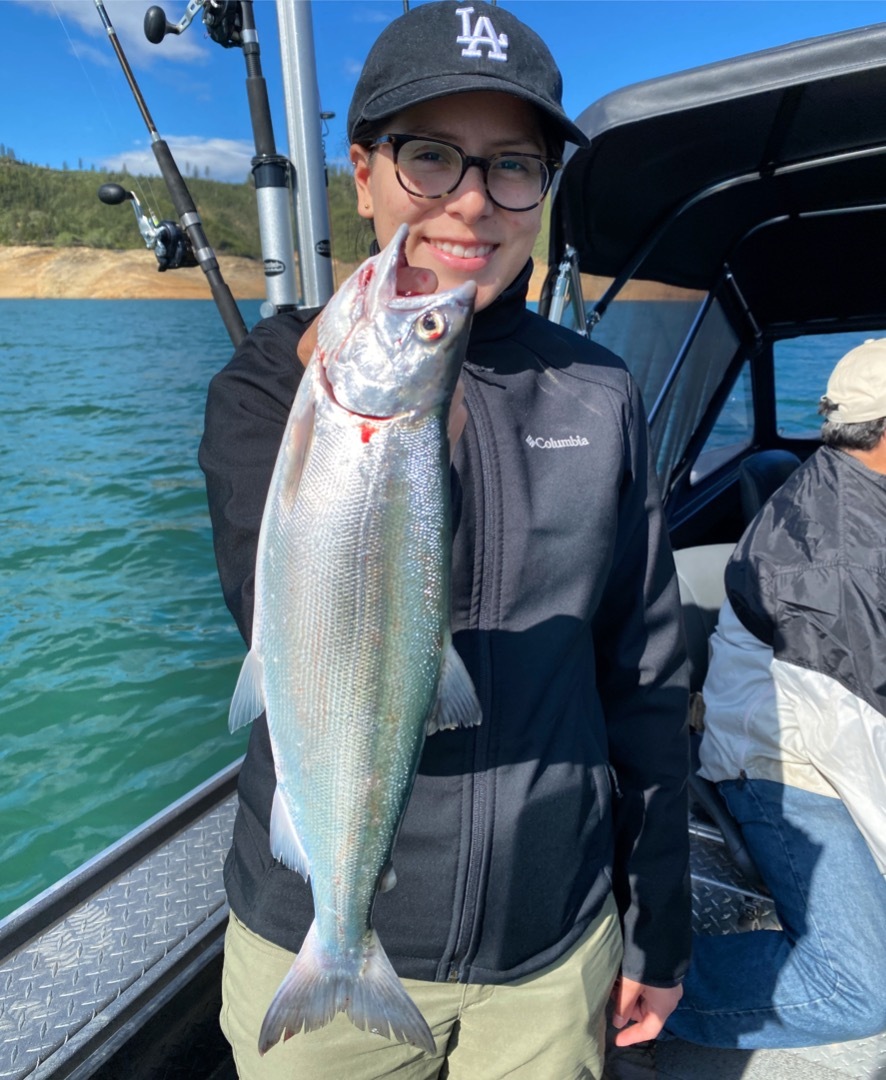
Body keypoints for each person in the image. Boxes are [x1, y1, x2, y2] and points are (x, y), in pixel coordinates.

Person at [199, 3, 690, 1077]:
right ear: (365, 173)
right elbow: (270, 607)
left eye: (512, 167)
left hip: (552, 944)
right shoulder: (266, 390)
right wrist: (348, 385)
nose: (472, 201)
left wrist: (657, 914)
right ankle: (346, 941)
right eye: (431, 158)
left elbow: (644, 674)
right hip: (310, 928)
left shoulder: (601, 391)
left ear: (542, 195)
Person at [667, 339, 886, 1050]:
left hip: (830, 731)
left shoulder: (855, 490)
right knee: (857, 987)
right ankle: (626, 992)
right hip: (786, 761)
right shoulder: (839, 566)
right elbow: (865, 736)